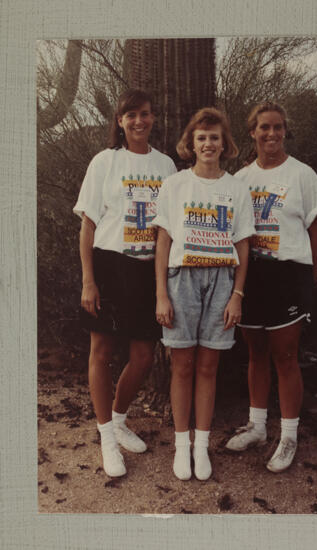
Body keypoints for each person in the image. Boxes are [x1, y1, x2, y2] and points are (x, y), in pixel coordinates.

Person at [73, 89, 176, 477]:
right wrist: (88, 281)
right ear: (119, 120)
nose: (139, 121)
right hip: (109, 264)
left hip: (149, 269)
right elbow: (88, 225)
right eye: (131, 115)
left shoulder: (166, 166)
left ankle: (118, 419)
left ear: (153, 118)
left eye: (145, 114)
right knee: (101, 351)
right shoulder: (104, 162)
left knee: (144, 356)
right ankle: (106, 438)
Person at [153, 107, 255, 481]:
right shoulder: (175, 185)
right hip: (182, 279)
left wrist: (237, 295)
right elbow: (163, 241)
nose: (208, 143)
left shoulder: (236, 187)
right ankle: (182, 446)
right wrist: (161, 294)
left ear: (224, 143)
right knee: (182, 365)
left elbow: (243, 246)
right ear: (191, 144)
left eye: (214, 137)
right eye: (201, 138)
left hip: (222, 282)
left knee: (209, 366)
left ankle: (202, 446)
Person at [225, 102, 317, 473]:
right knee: (256, 353)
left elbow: (316, 229)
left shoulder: (303, 175)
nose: (272, 134)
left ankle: (288, 436)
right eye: (264, 128)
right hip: (252, 275)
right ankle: (257, 426)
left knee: (285, 356)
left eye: (278, 127)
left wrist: (310, 277)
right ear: (252, 132)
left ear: (286, 131)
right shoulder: (240, 179)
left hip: (289, 273)